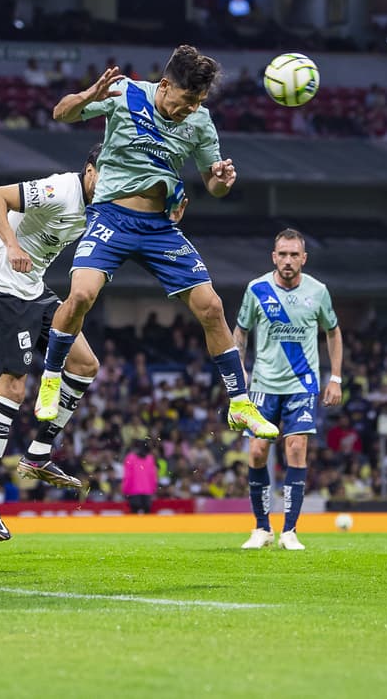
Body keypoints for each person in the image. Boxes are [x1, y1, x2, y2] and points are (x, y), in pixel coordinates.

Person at [33, 47, 277, 441]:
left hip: (159, 228)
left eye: (198, 102)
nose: (191, 109)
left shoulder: (200, 121)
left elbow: (212, 185)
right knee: (79, 297)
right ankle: (49, 380)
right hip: (111, 217)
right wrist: (89, 96)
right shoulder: (124, 93)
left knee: (212, 307)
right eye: (186, 100)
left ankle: (240, 404)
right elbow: (60, 113)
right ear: (164, 86)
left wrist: (221, 179)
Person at [0, 145, 105, 540]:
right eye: (107, 175)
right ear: (89, 170)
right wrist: (11, 243)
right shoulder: (61, 189)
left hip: (33, 288)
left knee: (85, 364)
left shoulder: (104, 203)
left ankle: (39, 454)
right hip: (0, 288)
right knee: (13, 388)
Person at [234, 229, 343, 551]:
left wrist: (335, 377)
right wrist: (238, 369)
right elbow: (240, 332)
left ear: (304, 258)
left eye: (294, 255)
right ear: (273, 257)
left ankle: (289, 531)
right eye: (282, 254)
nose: (288, 260)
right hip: (263, 385)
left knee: (295, 449)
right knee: (256, 452)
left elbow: (333, 332)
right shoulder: (257, 289)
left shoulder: (318, 291)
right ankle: (261, 528)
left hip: (302, 385)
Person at [122, 440, 158, 513]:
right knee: (146, 521)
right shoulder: (150, 458)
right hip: (147, 493)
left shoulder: (130, 458)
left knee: (134, 520)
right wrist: (153, 490)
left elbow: (128, 476)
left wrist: (125, 490)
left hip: (133, 492)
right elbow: (153, 476)